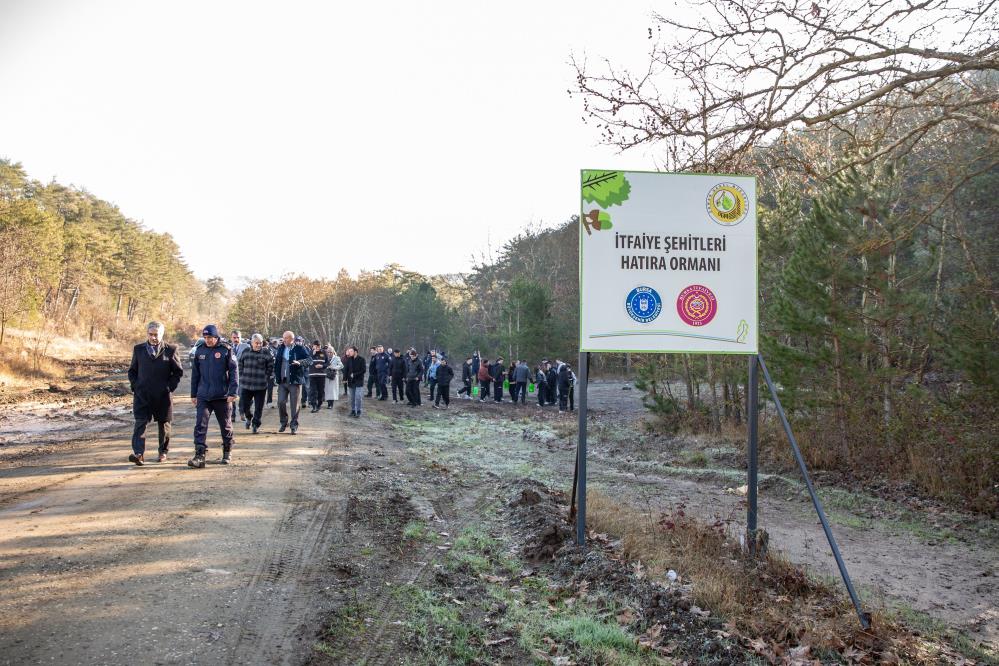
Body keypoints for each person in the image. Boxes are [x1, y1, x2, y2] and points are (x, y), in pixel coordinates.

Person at [127, 321, 183, 465]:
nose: (153, 338)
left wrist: (169, 387)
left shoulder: (171, 349)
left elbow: (177, 372)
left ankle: (163, 452)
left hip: (162, 396)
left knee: (164, 424)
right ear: (147, 334)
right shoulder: (138, 349)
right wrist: (136, 386)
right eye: (150, 334)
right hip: (142, 395)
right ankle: (138, 454)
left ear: (162, 334)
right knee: (140, 423)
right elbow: (132, 371)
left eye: (156, 335)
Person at [189, 324, 238, 467]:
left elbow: (234, 372)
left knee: (225, 425)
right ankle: (199, 455)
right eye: (205, 337)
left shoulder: (226, 350)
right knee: (200, 425)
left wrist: (233, 392)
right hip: (203, 395)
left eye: (210, 337)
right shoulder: (200, 350)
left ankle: (227, 451)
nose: (207, 340)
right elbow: (195, 374)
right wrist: (193, 394)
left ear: (216, 337)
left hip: (222, 395)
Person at [273, 331, 310, 434]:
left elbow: (309, 360)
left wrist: (300, 362)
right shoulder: (281, 348)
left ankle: (294, 425)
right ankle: (283, 422)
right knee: (280, 402)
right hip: (282, 381)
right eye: (283, 338)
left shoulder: (300, 348)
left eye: (286, 338)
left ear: (292, 339)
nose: (284, 340)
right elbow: (277, 363)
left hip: (294, 381)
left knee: (295, 405)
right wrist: (276, 375)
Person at [237, 333, 274, 434]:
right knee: (244, 406)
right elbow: (240, 364)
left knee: (259, 407)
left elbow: (270, 366)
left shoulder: (266, 353)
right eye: (256, 343)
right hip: (246, 384)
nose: (259, 345)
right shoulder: (246, 352)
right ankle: (249, 417)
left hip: (260, 385)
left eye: (260, 343)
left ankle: (255, 424)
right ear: (252, 343)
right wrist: (242, 376)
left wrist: (265, 377)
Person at [342, 346, 366, 417]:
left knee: (358, 396)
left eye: (351, 351)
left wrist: (355, 374)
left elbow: (363, 370)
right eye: (349, 351)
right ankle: (353, 410)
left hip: (359, 381)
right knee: (352, 397)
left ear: (355, 352)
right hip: (351, 381)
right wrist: (344, 379)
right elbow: (346, 370)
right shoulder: (349, 359)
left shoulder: (362, 359)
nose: (349, 353)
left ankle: (358, 411)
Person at [307, 340, 328, 412]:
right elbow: (308, 362)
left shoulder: (324, 352)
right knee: (313, 391)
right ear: (313, 346)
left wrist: (322, 366)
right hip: (312, 375)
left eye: (319, 346)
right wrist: (313, 354)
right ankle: (314, 406)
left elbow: (327, 363)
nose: (317, 347)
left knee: (320, 391)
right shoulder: (310, 352)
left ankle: (319, 404)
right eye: (316, 346)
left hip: (321, 375)